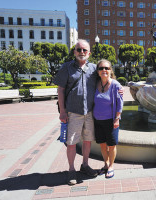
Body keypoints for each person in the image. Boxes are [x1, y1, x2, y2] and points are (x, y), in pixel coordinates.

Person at [54, 39, 99, 185]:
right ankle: (71, 170)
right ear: (74, 52)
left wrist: (118, 89)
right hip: (73, 111)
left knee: (87, 140)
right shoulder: (66, 68)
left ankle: (85, 165)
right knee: (72, 142)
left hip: (90, 112)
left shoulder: (93, 68)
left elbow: (105, 81)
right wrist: (62, 111)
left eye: (84, 50)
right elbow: (60, 90)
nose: (81, 52)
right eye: (78, 49)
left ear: (89, 53)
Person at [93, 59, 123, 179]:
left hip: (111, 120)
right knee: (102, 144)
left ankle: (111, 166)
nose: (104, 70)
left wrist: (117, 118)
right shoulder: (95, 83)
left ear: (111, 70)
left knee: (111, 145)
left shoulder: (115, 85)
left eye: (107, 68)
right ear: (98, 71)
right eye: (101, 68)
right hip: (97, 120)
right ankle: (105, 164)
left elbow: (120, 103)